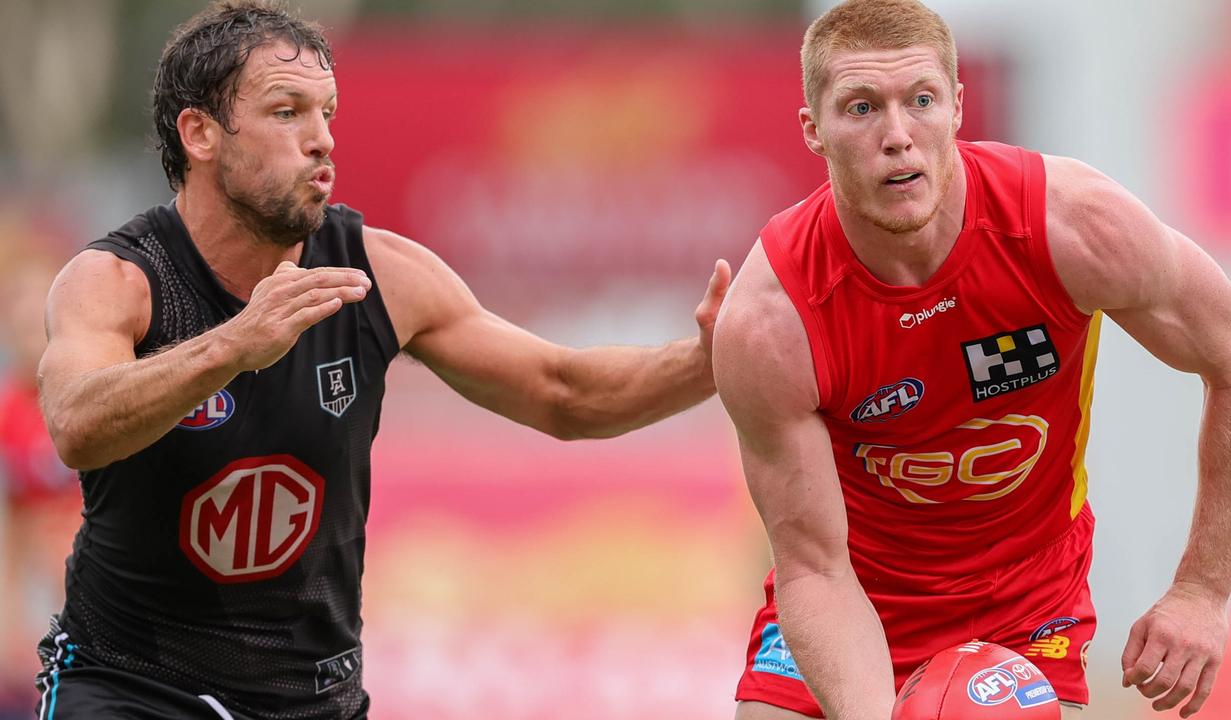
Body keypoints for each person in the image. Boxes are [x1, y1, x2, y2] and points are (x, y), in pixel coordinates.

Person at [33, 2, 730, 718]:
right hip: (130, 687)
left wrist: (705, 362)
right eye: (287, 112)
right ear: (201, 133)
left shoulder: (379, 273)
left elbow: (563, 392)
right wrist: (233, 346)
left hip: (311, 700)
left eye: (328, 113)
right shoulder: (117, 280)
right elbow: (75, 423)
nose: (323, 141)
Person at [713, 1, 1231, 719]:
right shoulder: (772, 318)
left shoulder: (1072, 225)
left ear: (956, 107)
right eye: (860, 108)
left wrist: (1202, 590)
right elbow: (815, 571)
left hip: (1025, 606)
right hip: (852, 597)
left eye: (919, 100)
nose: (896, 137)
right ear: (813, 130)